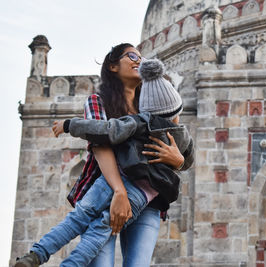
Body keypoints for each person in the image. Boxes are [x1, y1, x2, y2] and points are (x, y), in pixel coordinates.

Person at [15, 46, 191, 267]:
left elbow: (183, 155)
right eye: (132, 56)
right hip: (109, 188)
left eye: (142, 57)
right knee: (97, 252)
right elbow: (101, 141)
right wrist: (119, 191)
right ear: (113, 65)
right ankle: (36, 255)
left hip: (147, 203)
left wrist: (178, 160)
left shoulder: (150, 111)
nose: (139, 61)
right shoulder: (101, 102)